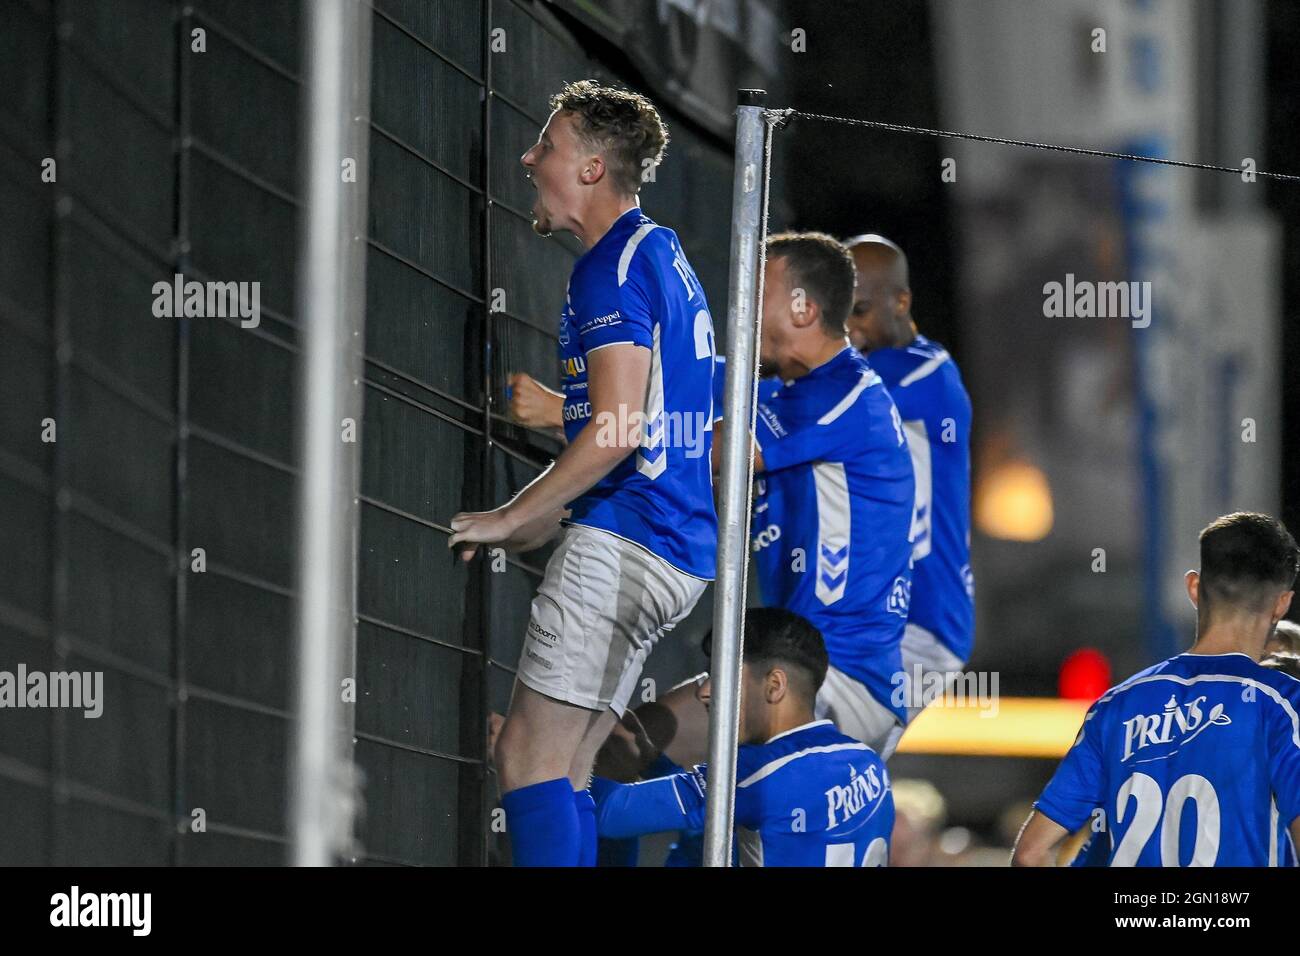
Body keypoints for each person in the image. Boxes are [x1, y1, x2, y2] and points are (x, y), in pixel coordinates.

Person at [448, 80, 717, 867]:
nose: (530, 159)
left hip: (626, 543)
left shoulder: (609, 268)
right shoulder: (662, 254)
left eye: (550, 147)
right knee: (569, 768)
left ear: (595, 168)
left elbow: (618, 428)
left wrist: (511, 515)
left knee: (526, 760)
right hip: (674, 550)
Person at [1012, 511, 1300, 867]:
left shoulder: (1116, 706)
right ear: (1281, 604)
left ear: (1194, 588)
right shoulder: (1283, 705)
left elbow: (1030, 853)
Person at [591, 608, 894, 866]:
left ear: (774, 685)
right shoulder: (868, 763)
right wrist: (659, 769)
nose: (704, 692)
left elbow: (608, 814)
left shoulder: (755, 772)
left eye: (720, 675)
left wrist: (579, 749)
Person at [844, 235, 974, 756]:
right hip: (875, 617)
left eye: (858, 310)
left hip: (919, 623)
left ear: (900, 302)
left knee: (824, 772)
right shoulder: (869, 368)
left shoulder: (925, 373)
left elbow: (812, 393)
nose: (847, 327)